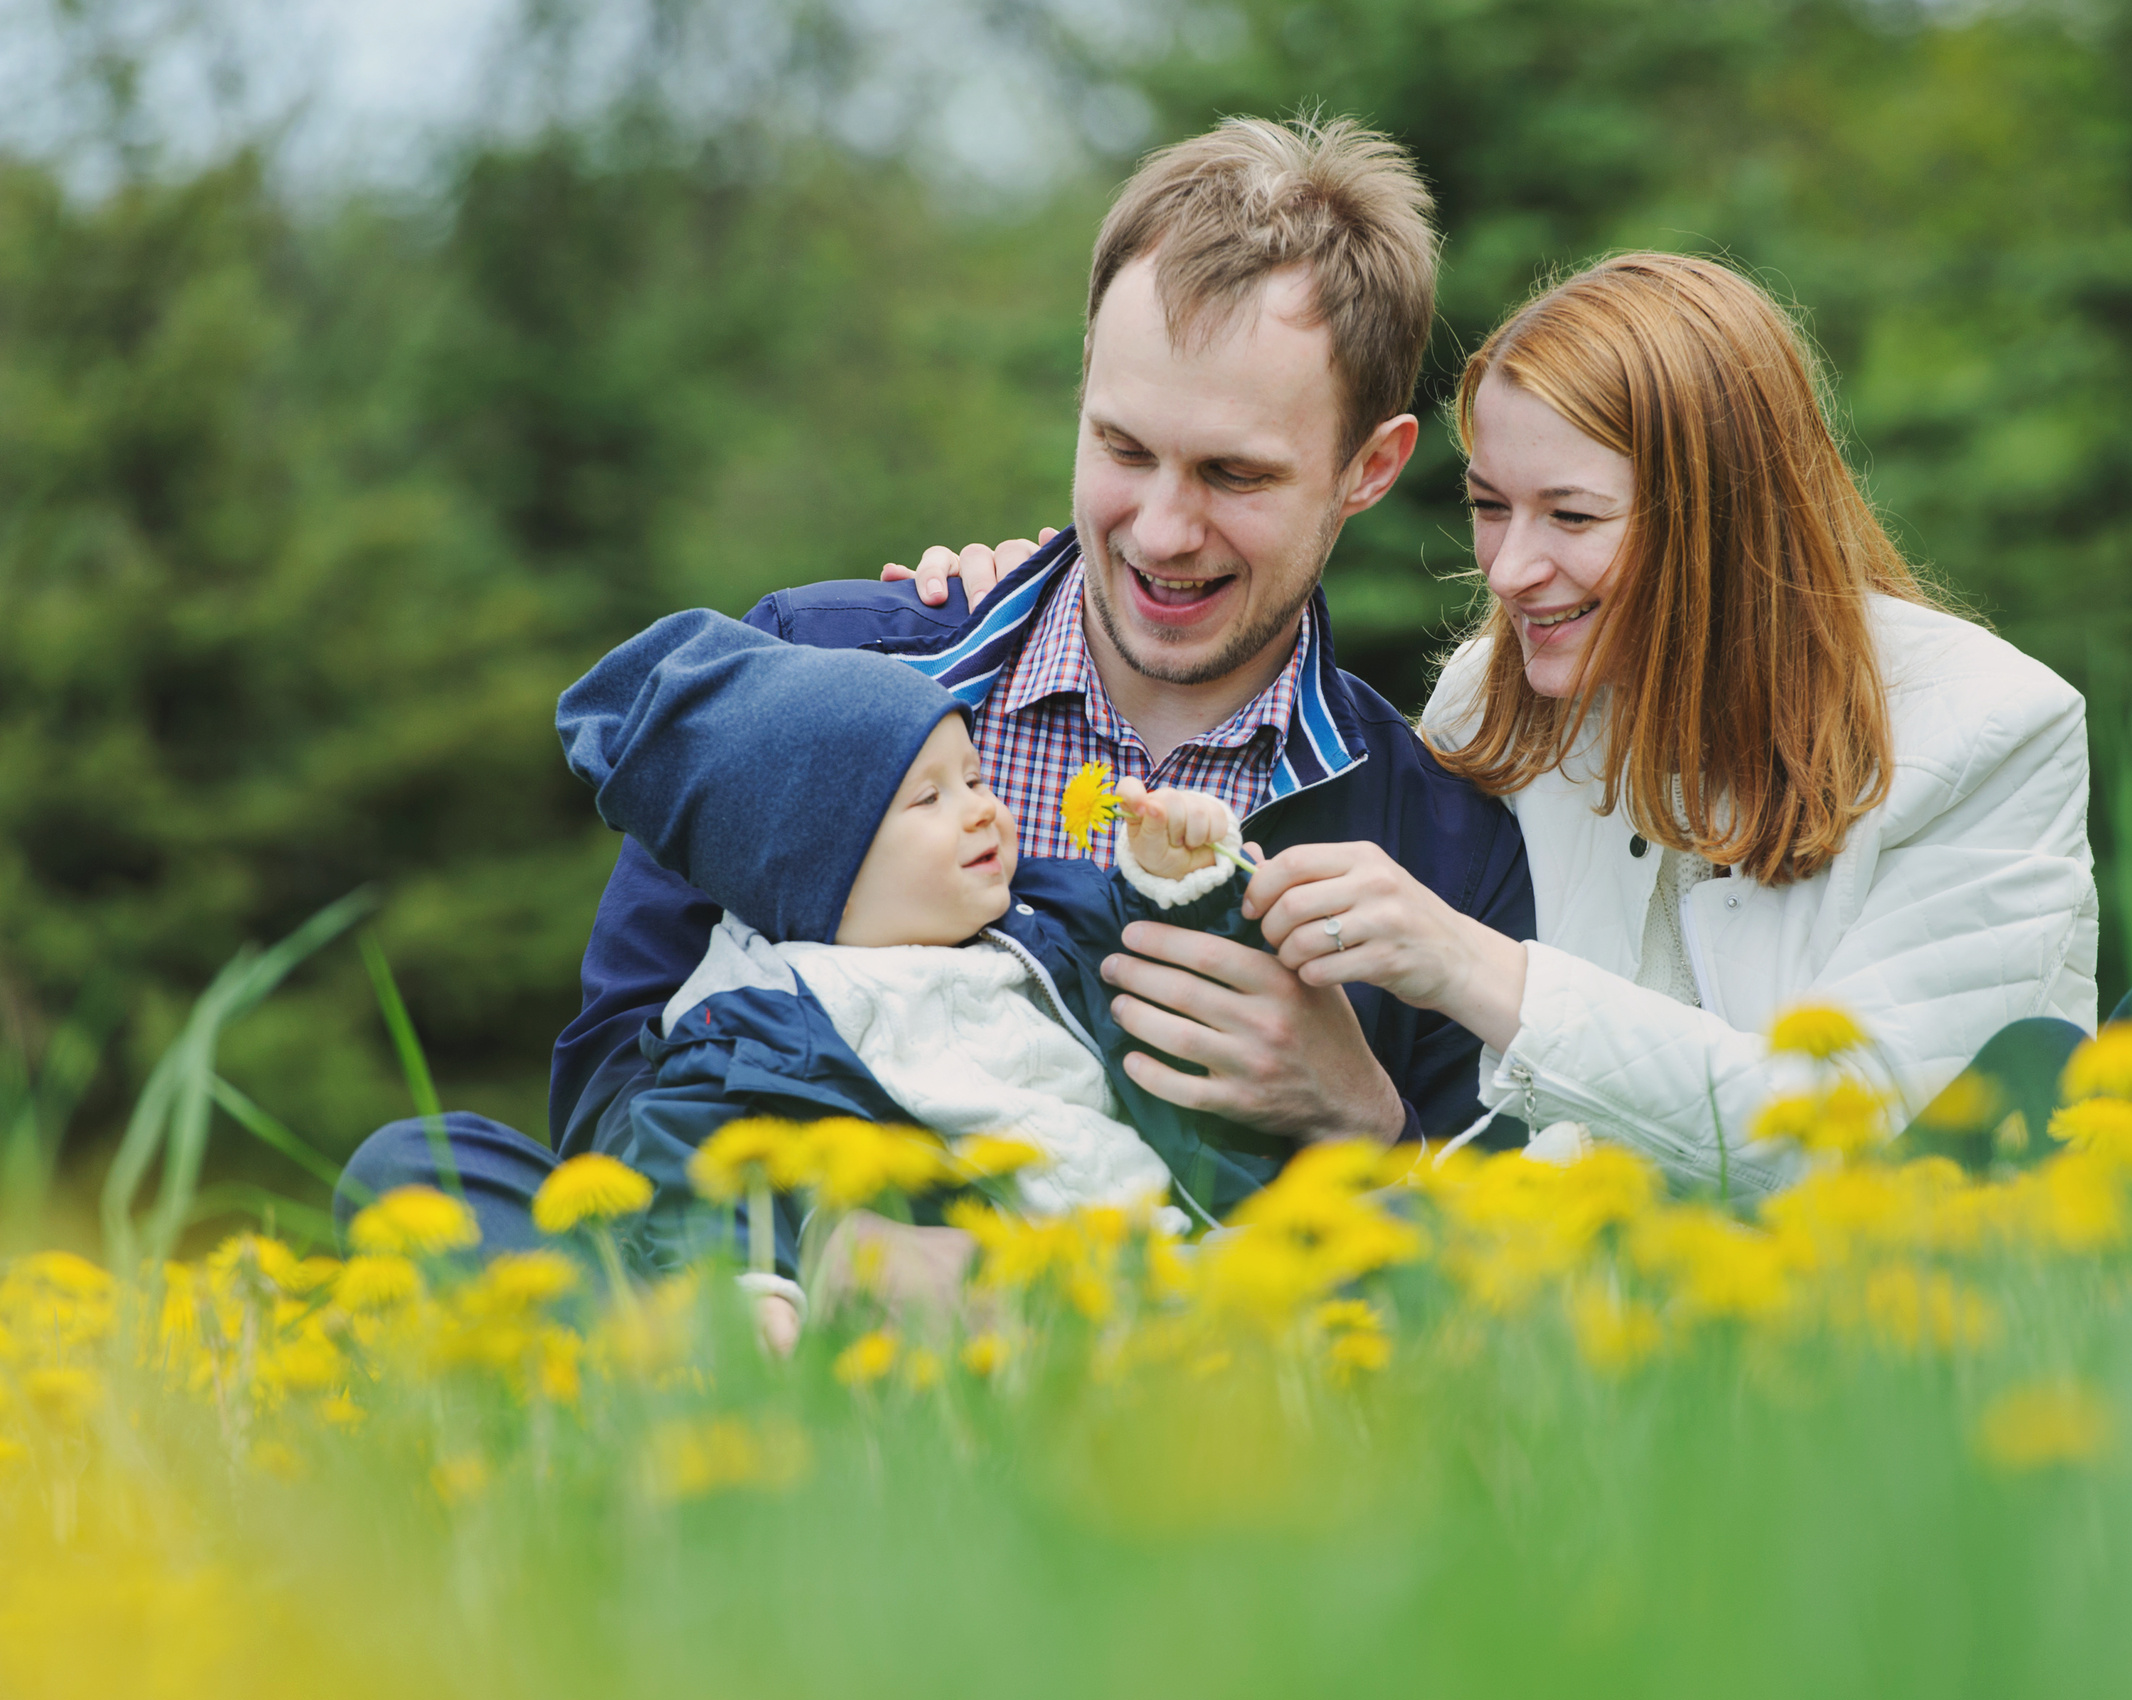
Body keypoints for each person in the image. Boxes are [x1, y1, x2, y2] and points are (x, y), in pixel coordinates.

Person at [337, 117, 1534, 1251]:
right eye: (1123, 449)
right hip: (793, 1305)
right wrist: (853, 1252)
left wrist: (1364, 1126)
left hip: (1162, 1346)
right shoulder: (821, 671)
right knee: (422, 1179)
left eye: (1235, 475)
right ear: (1083, 386)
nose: (1164, 531)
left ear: (1368, 468)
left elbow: (1477, 1292)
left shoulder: (1440, 848)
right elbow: (613, 1093)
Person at [1229, 253, 2106, 1192]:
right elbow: (1449, 1120)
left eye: (1572, 516)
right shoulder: (1491, 704)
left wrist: (1476, 968)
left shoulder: (1989, 729)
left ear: (1721, 522)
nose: (1508, 569)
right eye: (1488, 506)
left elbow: (1858, 1148)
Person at [553, 608, 1264, 1345]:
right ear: (816, 865)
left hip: (1173, 1246)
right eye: (929, 798)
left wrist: (1176, 882)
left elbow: (1179, 978)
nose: (982, 811)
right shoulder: (763, 1016)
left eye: (975, 778)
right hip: (996, 1305)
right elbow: (697, 1157)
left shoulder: (1042, 919)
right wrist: (752, 1288)